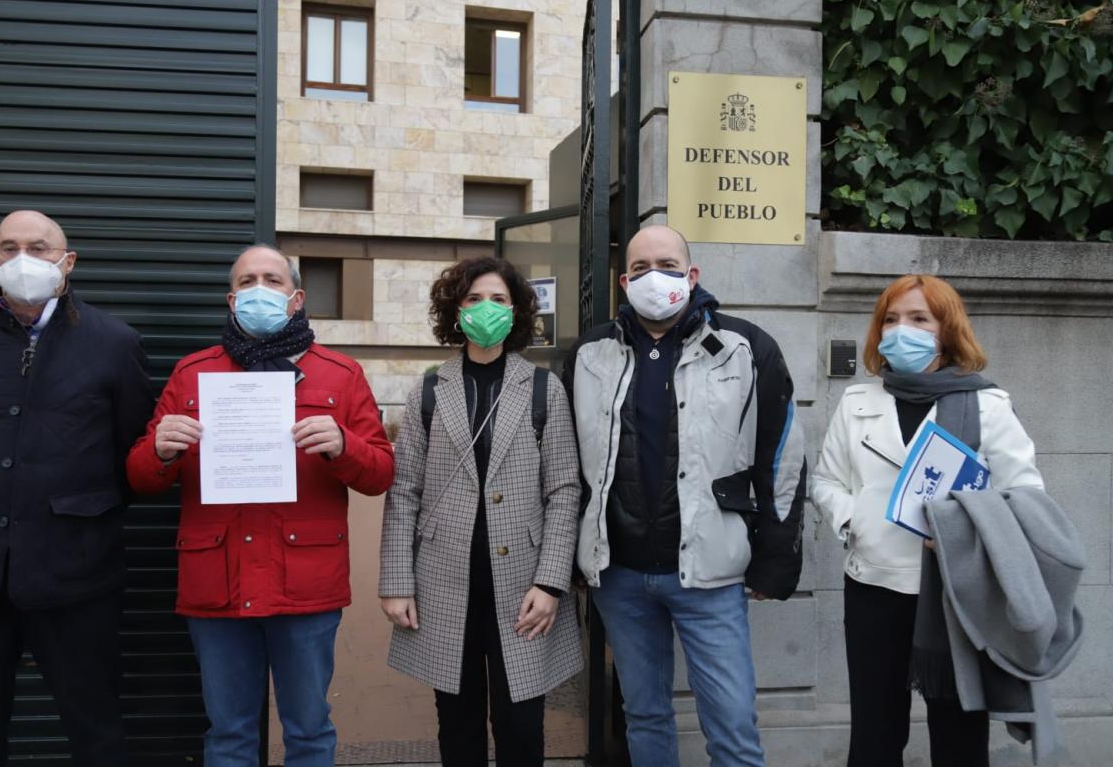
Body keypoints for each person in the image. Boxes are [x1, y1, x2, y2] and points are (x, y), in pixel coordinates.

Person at [125, 245, 394, 767]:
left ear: (295, 299)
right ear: (231, 299)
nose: (257, 289)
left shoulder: (341, 374)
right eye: (246, 281)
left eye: (270, 279)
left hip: (305, 586)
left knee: (310, 731)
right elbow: (140, 475)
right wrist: (159, 449)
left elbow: (380, 473)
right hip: (216, 584)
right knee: (228, 735)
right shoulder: (192, 374)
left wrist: (344, 445)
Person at [564, 225, 806, 767]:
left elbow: (782, 457)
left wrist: (775, 558)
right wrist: (570, 558)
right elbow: (571, 468)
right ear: (624, 281)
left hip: (710, 575)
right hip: (619, 576)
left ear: (691, 276)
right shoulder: (588, 355)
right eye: (642, 267)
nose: (656, 277)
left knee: (733, 727)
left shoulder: (747, 347)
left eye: (669, 265)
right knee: (644, 717)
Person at [0, 210, 154, 766]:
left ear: (67, 261)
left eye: (39, 247)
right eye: (8, 247)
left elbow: (130, 454)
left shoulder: (114, 343)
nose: (23, 258)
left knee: (96, 731)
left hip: (76, 572)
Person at [811, 273, 1046, 767]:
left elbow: (1025, 497)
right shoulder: (856, 403)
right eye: (891, 320)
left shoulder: (987, 405)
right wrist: (858, 521)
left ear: (946, 329)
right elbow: (826, 483)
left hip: (956, 593)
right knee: (874, 733)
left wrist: (969, 530)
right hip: (874, 585)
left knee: (960, 734)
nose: (902, 330)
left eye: (919, 318)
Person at [378, 256, 583, 767]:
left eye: (498, 299)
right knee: (458, 722)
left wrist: (552, 582)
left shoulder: (543, 388)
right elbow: (404, 490)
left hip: (523, 584)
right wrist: (396, 581)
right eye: (473, 299)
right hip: (445, 581)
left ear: (515, 313)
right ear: (455, 310)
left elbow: (563, 489)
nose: (485, 308)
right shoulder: (428, 390)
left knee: (520, 724)